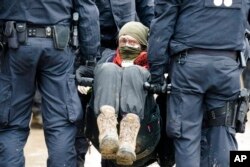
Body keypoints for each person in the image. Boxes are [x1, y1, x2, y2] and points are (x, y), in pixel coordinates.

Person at [146, 1, 250, 167]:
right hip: (227, 67)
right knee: (222, 133)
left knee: (187, 136)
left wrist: (156, 76)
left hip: (188, 68)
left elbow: (162, 26)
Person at [0, 1, 100, 167]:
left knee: (11, 124)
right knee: (60, 123)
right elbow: (87, 9)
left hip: (15, 46)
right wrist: (89, 60)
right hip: (58, 49)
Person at [75, 1, 155, 166]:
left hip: (131, 42)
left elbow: (149, 12)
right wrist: (88, 62)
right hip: (94, 50)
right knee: (84, 119)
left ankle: (126, 139)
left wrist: (153, 49)